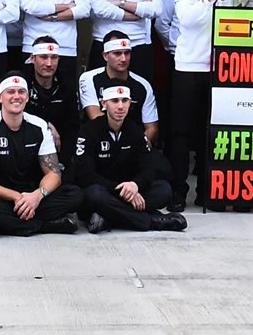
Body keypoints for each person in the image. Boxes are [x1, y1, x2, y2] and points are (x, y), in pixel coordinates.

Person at [0, 76, 84, 236]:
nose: (16, 96)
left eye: (21, 92)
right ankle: (43, 225)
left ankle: (4, 224)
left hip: (31, 195)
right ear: (0, 97)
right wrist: (14, 196)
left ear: (27, 97)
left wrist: (37, 196)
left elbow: (54, 173)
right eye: (10, 92)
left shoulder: (39, 125)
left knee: (75, 194)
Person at [166, 0, 235, 210]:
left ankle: (208, 192)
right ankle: (178, 192)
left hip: (221, 70)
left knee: (213, 134)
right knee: (180, 135)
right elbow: (186, 19)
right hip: (188, 67)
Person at [74, 87, 185, 233]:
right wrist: (122, 190)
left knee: (163, 190)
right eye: (114, 101)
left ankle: (109, 217)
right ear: (103, 103)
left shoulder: (135, 130)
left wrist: (135, 185)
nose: (120, 106)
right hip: (104, 190)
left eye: (124, 101)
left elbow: (150, 167)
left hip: (127, 191)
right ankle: (151, 221)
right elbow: (85, 175)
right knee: (92, 194)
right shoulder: (88, 131)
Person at [78, 33, 161, 141]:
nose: (123, 59)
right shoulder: (88, 78)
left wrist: (138, 145)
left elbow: (152, 128)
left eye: (127, 53)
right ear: (105, 56)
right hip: (98, 142)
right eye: (117, 53)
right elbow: (94, 116)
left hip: (135, 143)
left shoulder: (143, 85)